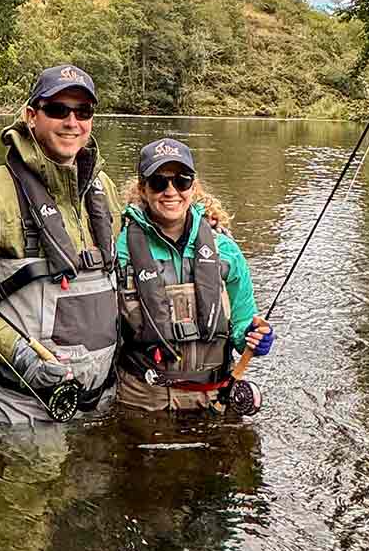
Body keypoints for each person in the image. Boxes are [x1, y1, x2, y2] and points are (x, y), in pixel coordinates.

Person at [0, 65, 122, 426]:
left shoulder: (104, 189)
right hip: (25, 407)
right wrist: (20, 355)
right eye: (57, 110)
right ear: (31, 117)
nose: (72, 122)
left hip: (103, 404)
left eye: (83, 112)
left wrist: (207, 220)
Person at [116, 137, 274, 413]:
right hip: (140, 402)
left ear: (193, 186)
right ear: (143, 188)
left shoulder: (226, 250)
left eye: (181, 180)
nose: (171, 191)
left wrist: (252, 335)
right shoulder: (120, 248)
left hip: (213, 399)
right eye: (158, 182)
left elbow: (240, 326)